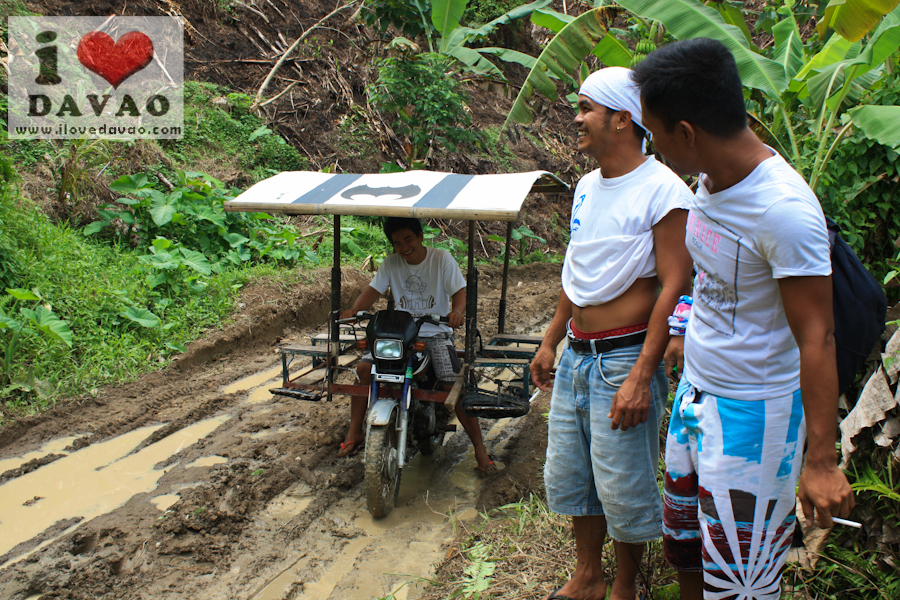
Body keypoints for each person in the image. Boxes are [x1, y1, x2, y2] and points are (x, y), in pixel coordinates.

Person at [631, 38, 855, 599]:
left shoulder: (782, 210)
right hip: (696, 399)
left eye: (655, 134)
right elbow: (713, 280)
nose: (653, 148)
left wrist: (822, 461)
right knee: (686, 549)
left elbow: (818, 337)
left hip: (756, 419)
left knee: (740, 580)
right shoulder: (709, 181)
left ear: (686, 132)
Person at [530, 66, 693, 600]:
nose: (576, 119)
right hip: (578, 354)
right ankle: (587, 577)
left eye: (586, 108)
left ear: (623, 119)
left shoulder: (663, 189)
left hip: (622, 358)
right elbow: (577, 271)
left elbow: (674, 281)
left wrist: (643, 374)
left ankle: (624, 584)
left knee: (623, 483)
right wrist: (552, 339)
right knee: (574, 476)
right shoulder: (584, 188)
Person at [337, 217, 495, 475]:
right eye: (397, 242)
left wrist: (456, 311)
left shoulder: (441, 259)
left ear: (421, 236)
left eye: (408, 239)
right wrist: (354, 310)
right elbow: (372, 291)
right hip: (400, 332)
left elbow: (459, 292)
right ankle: (355, 430)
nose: (403, 246)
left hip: (436, 331)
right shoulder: (391, 263)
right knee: (365, 370)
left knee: (451, 383)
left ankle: (479, 448)